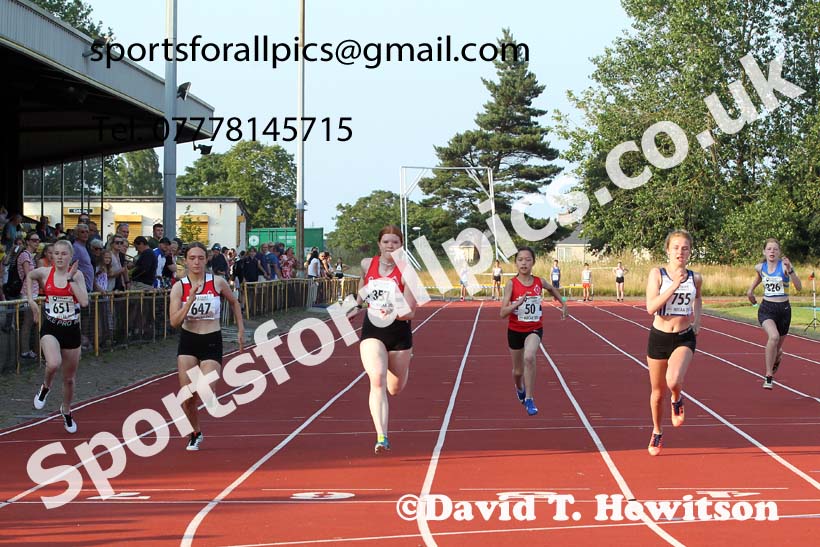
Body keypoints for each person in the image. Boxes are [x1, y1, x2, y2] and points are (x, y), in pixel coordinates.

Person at [169, 242, 244, 450]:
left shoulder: (217, 282)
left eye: (201, 258)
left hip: (211, 339)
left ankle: (207, 400)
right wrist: (190, 301)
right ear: (186, 260)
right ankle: (195, 432)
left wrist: (240, 331)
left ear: (206, 259)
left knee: (206, 390)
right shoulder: (179, 287)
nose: (196, 262)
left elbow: (234, 302)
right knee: (187, 398)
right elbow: (174, 322)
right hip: (188, 340)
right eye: (192, 258)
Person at [357, 226, 418, 454]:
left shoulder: (407, 271)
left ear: (400, 246)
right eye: (386, 242)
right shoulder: (366, 264)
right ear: (379, 244)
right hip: (373, 329)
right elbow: (362, 293)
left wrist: (394, 308)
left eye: (395, 242)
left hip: (399, 332)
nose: (390, 246)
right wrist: (355, 304)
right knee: (378, 379)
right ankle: (382, 435)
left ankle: (407, 361)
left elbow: (411, 312)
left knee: (394, 388)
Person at [645, 230, 702, 456]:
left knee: (673, 380)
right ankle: (657, 431)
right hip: (659, 337)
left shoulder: (695, 278)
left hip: (683, 337)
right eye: (676, 247)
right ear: (668, 250)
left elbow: (698, 298)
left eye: (685, 248)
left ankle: (677, 398)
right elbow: (650, 307)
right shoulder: (657, 274)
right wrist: (673, 286)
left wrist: (698, 321)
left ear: (690, 252)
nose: (681, 252)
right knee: (657, 393)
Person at [27, 240, 89, 432]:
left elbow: (84, 302)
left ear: (70, 257)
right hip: (51, 327)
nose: (60, 257)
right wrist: (32, 301)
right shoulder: (45, 272)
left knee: (69, 379)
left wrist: (70, 280)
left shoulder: (77, 275)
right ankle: (45, 387)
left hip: (71, 330)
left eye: (64, 254)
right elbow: (30, 275)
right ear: (52, 255)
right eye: (57, 253)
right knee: (53, 363)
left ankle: (66, 410)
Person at [500, 247, 568, 416]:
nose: (524, 263)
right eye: (520, 259)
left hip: (534, 328)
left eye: (528, 259)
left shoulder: (539, 282)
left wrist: (564, 303)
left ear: (533, 262)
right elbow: (502, 313)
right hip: (515, 330)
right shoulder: (511, 284)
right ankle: (519, 387)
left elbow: (552, 289)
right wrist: (518, 303)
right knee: (517, 372)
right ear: (516, 263)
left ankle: (529, 399)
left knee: (529, 357)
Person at [746, 238, 801, 390]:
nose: (772, 252)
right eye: (769, 249)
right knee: (774, 337)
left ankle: (778, 355)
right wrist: (750, 290)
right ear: (764, 252)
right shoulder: (760, 267)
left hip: (783, 311)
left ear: (779, 252)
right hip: (766, 309)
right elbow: (759, 277)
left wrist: (790, 270)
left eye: (775, 249)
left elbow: (799, 287)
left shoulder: (784, 267)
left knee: (776, 347)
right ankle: (769, 376)